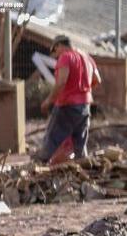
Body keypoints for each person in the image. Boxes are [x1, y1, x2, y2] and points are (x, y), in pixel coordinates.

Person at [36, 35, 99, 163]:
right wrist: (83, 90)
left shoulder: (65, 57)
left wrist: (49, 101)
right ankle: (83, 167)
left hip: (67, 105)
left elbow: (61, 83)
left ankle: (38, 164)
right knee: (80, 143)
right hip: (85, 106)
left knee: (52, 138)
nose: (55, 54)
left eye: (55, 50)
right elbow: (97, 79)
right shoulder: (87, 57)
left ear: (59, 45)